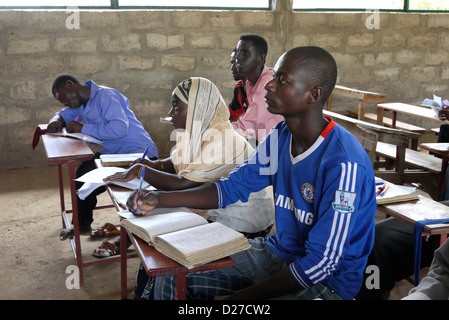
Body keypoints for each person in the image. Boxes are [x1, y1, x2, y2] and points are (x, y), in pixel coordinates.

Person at [126, 46, 377, 300]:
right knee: (172, 275)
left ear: (313, 95)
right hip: (280, 252)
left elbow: (321, 264)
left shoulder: (343, 164)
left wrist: (241, 299)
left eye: (282, 80)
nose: (269, 86)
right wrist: (160, 199)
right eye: (274, 76)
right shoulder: (280, 138)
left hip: (328, 283)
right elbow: (230, 189)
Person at [47, 74, 158, 241]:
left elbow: (120, 128)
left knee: (85, 178)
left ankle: (91, 226)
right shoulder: (81, 102)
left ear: (70, 85)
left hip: (139, 153)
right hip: (115, 152)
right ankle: (82, 225)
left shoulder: (105, 95)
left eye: (63, 97)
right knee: (82, 176)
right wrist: (55, 121)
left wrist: (84, 128)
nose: (65, 103)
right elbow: (64, 114)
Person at [231, 34, 283, 143]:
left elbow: (247, 126)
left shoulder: (268, 82)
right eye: (238, 52)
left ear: (260, 58)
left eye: (245, 53)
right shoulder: (250, 83)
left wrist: (214, 131)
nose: (238, 57)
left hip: (280, 146)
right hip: (263, 141)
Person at [228, 47, 248, 121]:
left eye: (235, 63)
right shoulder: (239, 88)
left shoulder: (263, 87)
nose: (232, 68)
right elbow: (231, 117)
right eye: (231, 63)